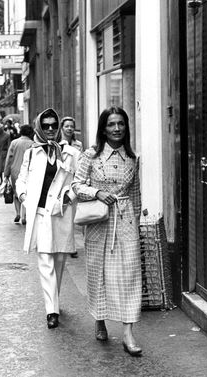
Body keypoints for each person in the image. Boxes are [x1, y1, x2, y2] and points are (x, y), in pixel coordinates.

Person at [72, 106, 142, 356]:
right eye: (111, 124)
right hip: (98, 222)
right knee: (98, 274)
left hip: (125, 222)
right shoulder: (90, 155)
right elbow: (76, 186)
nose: (117, 129)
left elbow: (135, 193)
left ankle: (128, 333)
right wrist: (97, 192)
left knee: (130, 275)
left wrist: (137, 222)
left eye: (121, 124)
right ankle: (100, 320)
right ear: (103, 128)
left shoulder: (133, 157)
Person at [16, 108, 80, 329]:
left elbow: (79, 181)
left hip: (61, 213)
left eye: (54, 125)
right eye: (46, 126)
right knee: (45, 261)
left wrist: (68, 198)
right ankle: (51, 310)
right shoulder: (32, 152)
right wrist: (24, 198)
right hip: (40, 213)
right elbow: (21, 179)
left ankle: (55, 298)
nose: (51, 129)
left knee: (59, 261)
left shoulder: (71, 152)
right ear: (39, 128)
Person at [60, 116, 83, 258]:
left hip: (73, 183)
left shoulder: (78, 145)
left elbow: (80, 164)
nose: (69, 128)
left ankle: (70, 246)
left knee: (71, 218)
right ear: (62, 128)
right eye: (66, 126)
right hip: (60, 183)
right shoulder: (57, 144)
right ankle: (66, 245)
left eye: (71, 126)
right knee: (63, 217)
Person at [4, 125, 34, 224]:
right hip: (28, 171)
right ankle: (24, 216)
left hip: (15, 171)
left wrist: (6, 173)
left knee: (16, 193)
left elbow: (9, 159)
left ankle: (18, 213)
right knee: (26, 193)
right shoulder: (33, 144)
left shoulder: (14, 142)